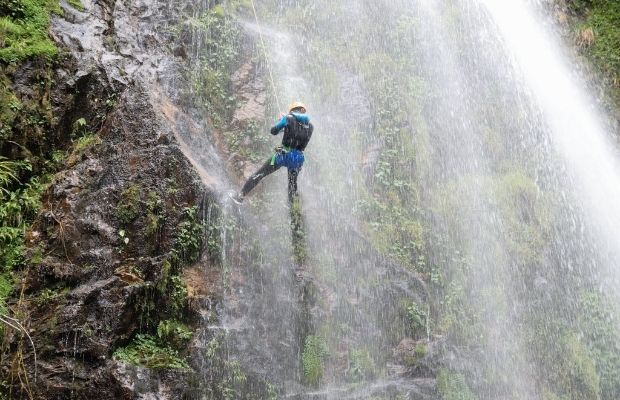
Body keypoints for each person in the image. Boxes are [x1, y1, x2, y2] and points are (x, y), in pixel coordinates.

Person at [230, 101, 313, 204]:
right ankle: (295, 212)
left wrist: (282, 121)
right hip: (298, 159)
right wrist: (286, 125)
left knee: (260, 173)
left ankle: (240, 196)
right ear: (303, 111)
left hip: (283, 155)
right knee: (292, 185)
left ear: (292, 111)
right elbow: (298, 137)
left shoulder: (288, 118)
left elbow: (273, 131)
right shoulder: (310, 126)